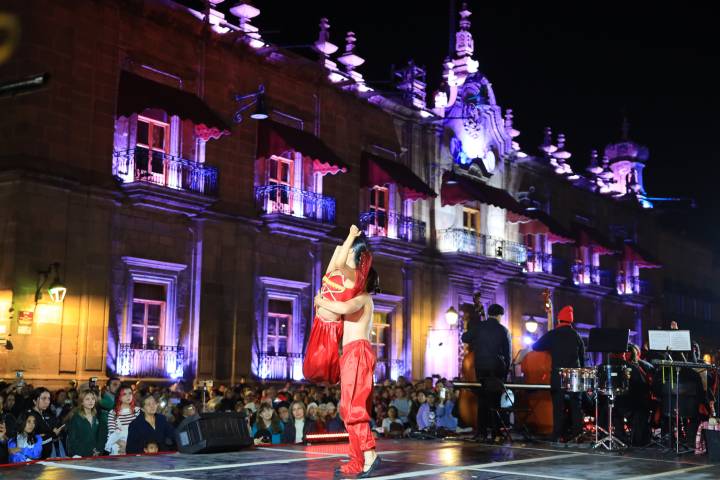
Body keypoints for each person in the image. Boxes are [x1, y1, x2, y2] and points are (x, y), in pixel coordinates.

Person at [315, 266, 381, 478]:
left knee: (354, 407)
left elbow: (343, 307)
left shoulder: (363, 298)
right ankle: (356, 460)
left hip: (358, 352)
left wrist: (321, 301)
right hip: (351, 354)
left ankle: (369, 454)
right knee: (347, 410)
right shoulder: (358, 298)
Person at [303, 225, 372, 384]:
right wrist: (345, 243)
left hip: (330, 327)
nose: (343, 249)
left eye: (347, 247)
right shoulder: (335, 272)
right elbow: (335, 257)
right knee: (311, 369)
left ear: (352, 251)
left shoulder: (353, 276)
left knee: (323, 370)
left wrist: (351, 236)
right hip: (319, 321)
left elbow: (340, 262)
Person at [532, 305, 585, 443]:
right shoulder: (576, 336)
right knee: (576, 405)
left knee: (558, 406)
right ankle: (577, 434)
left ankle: (557, 435)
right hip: (575, 374)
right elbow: (582, 358)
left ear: (559, 320)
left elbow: (535, 346)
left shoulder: (553, 334)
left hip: (559, 374)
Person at [461, 303, 511, 442]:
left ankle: (481, 433)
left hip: (481, 368)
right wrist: (505, 373)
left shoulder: (479, 327)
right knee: (495, 402)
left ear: (489, 314)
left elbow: (464, 338)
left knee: (482, 401)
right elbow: (507, 355)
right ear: (499, 315)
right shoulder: (503, 330)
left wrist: (471, 328)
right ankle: (496, 433)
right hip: (497, 369)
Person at [26, 387, 63, 458]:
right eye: (43, 398)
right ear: (34, 400)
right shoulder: (29, 416)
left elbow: (57, 425)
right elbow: (31, 438)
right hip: (34, 456)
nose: (47, 402)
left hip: (47, 455)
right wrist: (52, 434)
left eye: (49, 399)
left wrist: (54, 432)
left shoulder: (47, 414)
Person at [67, 390, 104, 457]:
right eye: (87, 399)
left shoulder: (97, 416)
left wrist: (98, 450)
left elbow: (100, 437)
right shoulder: (76, 418)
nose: (91, 401)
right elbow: (72, 439)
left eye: (93, 399)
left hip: (95, 454)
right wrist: (76, 454)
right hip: (80, 455)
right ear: (82, 402)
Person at [106, 386, 141, 455]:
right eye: (124, 394)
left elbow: (141, 430)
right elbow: (112, 432)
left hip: (135, 446)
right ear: (119, 397)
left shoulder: (137, 411)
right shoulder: (113, 413)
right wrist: (122, 444)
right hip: (118, 446)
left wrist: (129, 445)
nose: (128, 396)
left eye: (130, 393)